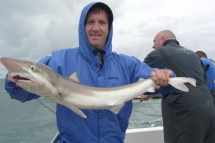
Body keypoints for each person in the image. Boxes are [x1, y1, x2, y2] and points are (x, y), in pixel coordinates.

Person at [4, 2, 175, 143]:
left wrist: (166, 75)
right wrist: (14, 80)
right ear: (82, 26)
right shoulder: (59, 60)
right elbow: (22, 95)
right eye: (90, 22)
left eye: (102, 22)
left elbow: (159, 83)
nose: (96, 27)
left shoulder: (127, 64)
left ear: (109, 28)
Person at [143, 30, 215, 143]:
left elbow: (138, 77)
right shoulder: (193, 54)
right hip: (209, 107)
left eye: (154, 41)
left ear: (163, 39)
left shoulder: (157, 54)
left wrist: (146, 92)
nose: (153, 45)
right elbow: (200, 80)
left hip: (184, 111)